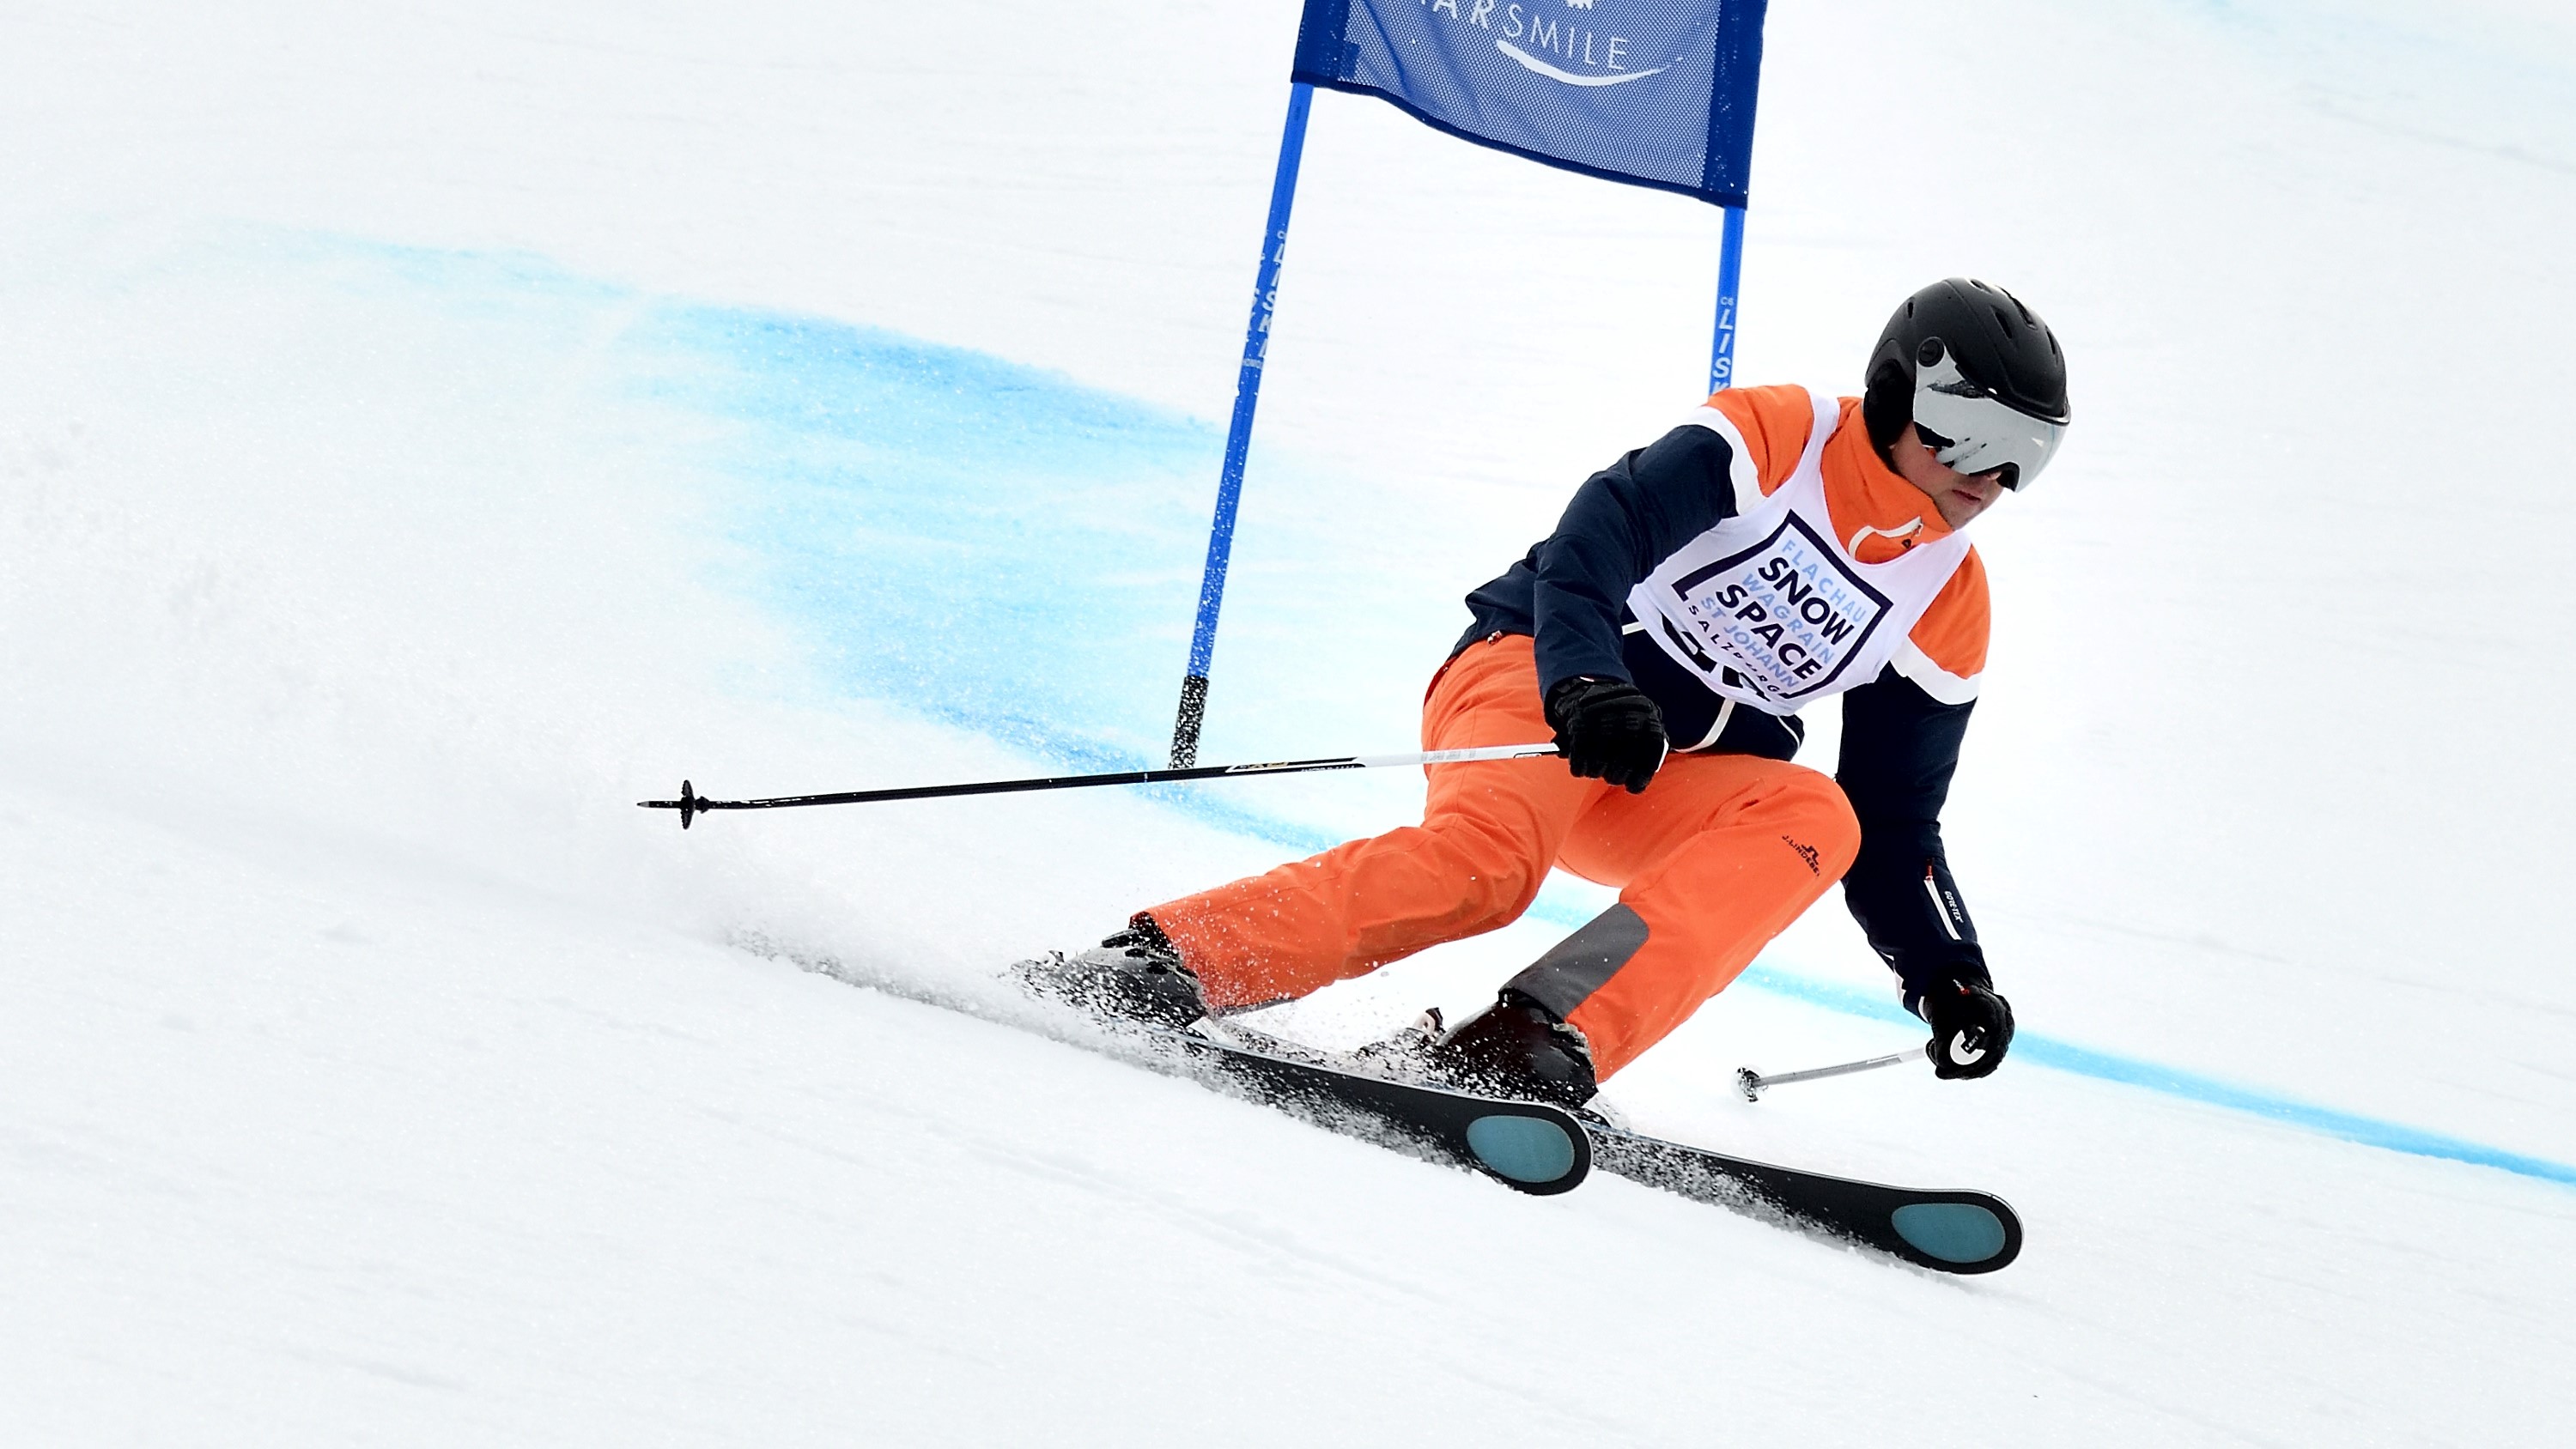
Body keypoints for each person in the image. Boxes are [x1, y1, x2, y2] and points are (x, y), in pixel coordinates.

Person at [1023, 278, 2069, 1108]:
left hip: (1654, 775)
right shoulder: (1778, 438)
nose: (1992, 477)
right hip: (1535, 675)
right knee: (1487, 869)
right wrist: (1586, 678)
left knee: (1821, 817)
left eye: (2028, 454)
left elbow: (1895, 819)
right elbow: (1595, 538)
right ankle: (1171, 958)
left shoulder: (1946, 600)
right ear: (1894, 392)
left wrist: (1947, 971)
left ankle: (1535, 1036)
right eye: (1970, 433)